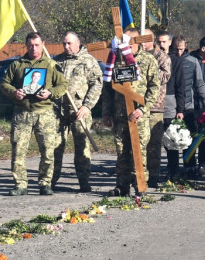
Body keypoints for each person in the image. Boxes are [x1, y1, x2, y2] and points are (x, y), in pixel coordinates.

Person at [0, 32, 67, 196]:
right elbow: (4, 84)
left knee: (48, 151)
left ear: (43, 44)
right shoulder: (18, 65)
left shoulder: (51, 65)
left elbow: (63, 85)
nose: (33, 48)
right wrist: (14, 92)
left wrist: (50, 93)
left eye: (37, 45)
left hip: (45, 113)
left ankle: (45, 183)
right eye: (30, 45)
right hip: (22, 113)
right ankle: (20, 184)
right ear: (26, 45)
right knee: (18, 151)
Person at [101, 27, 161, 197]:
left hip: (139, 116)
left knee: (138, 152)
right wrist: (106, 113)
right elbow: (107, 90)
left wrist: (143, 109)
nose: (122, 45)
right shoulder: (116, 60)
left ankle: (140, 186)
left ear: (136, 42)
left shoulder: (148, 60)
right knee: (121, 152)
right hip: (120, 115)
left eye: (126, 41)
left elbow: (154, 88)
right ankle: (122, 186)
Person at [52, 31, 103, 192]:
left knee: (82, 148)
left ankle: (84, 182)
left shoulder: (88, 61)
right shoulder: (57, 61)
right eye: (64, 44)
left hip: (79, 111)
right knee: (54, 148)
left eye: (69, 43)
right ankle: (50, 181)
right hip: (58, 112)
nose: (66, 47)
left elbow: (97, 84)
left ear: (78, 43)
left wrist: (87, 106)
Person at [171, 35, 205, 184]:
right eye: (175, 49)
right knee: (172, 140)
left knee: (188, 139)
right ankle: (173, 170)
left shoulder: (192, 61)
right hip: (171, 105)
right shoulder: (168, 60)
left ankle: (190, 167)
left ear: (185, 46)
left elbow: (200, 84)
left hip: (188, 106)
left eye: (181, 49)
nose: (178, 52)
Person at [145, 30, 173, 189]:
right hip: (139, 105)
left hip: (155, 106)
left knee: (154, 144)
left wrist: (147, 72)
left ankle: (154, 175)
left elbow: (165, 76)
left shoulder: (162, 56)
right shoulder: (138, 55)